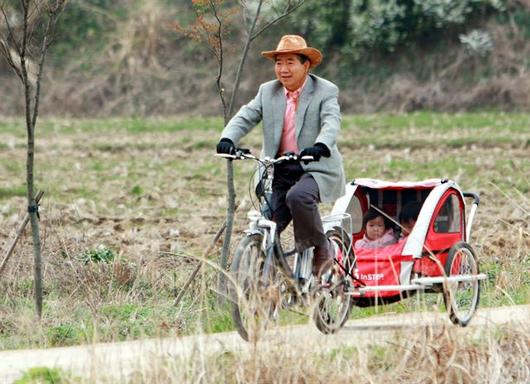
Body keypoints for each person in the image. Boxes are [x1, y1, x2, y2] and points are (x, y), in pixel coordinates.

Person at [216, 35, 345, 277]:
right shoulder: (268, 91)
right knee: (271, 221)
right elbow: (246, 116)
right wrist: (227, 139)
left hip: (314, 167)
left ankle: (321, 248)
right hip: (279, 168)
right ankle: (271, 280)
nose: (283, 70)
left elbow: (331, 121)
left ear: (306, 65)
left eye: (290, 62)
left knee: (298, 197)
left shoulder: (325, 90)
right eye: (278, 63)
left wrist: (320, 145)